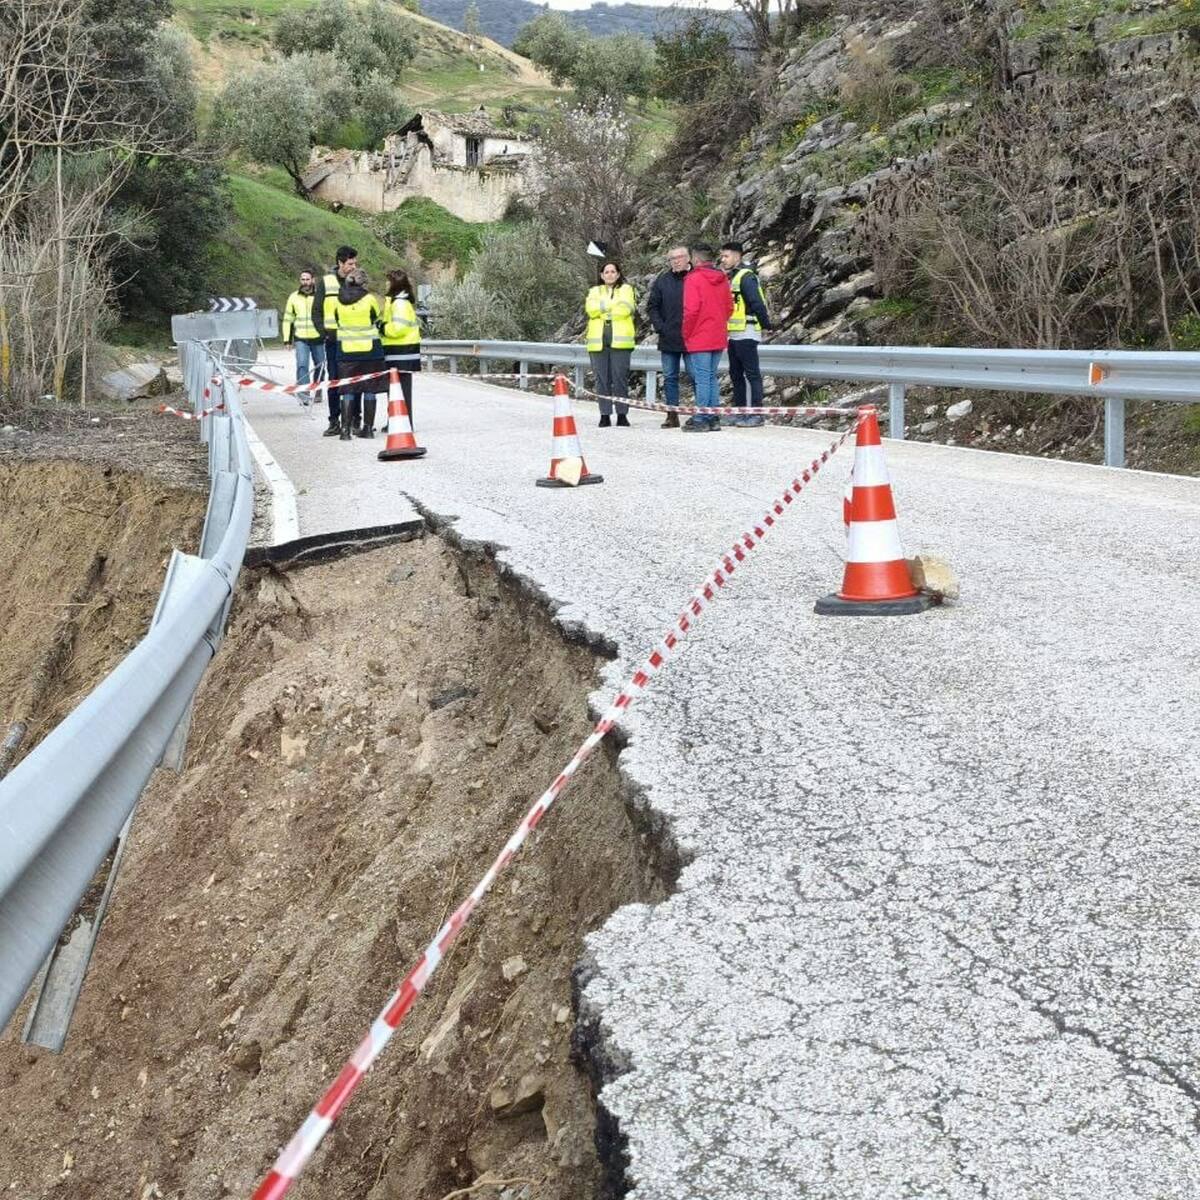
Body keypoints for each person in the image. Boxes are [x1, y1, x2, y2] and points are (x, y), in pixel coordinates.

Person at [681, 243, 733, 432]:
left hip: (699, 334)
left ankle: (702, 416)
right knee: (711, 376)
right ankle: (712, 416)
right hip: (717, 334)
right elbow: (729, 308)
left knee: (702, 377)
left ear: (695, 260)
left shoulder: (693, 279)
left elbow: (691, 310)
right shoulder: (722, 278)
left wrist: (686, 333)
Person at [719, 241, 772, 428]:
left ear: (737, 256)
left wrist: (766, 325)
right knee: (735, 374)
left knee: (752, 374)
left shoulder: (746, 276)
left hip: (747, 332)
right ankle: (739, 413)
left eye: (726, 256)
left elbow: (756, 303)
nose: (722, 259)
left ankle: (756, 414)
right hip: (734, 334)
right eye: (722, 256)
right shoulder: (731, 277)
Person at [313, 245, 358, 437]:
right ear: (340, 262)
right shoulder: (326, 282)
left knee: (355, 382)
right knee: (334, 382)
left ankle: (356, 420)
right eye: (350, 263)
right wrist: (324, 332)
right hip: (333, 341)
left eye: (355, 263)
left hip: (353, 341)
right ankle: (334, 421)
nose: (353, 266)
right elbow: (316, 311)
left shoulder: (357, 280)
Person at [332, 267, 383, 441]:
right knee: (370, 388)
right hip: (370, 351)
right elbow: (376, 318)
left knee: (347, 389)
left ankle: (345, 431)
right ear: (364, 283)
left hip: (346, 351)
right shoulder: (369, 299)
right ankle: (368, 429)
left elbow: (336, 320)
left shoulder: (338, 301)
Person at [585, 261, 636, 427]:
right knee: (602, 379)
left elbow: (626, 309)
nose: (610, 275)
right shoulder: (594, 291)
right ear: (601, 275)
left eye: (613, 271)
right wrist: (612, 307)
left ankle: (622, 414)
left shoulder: (626, 289)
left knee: (620, 378)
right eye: (606, 272)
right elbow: (591, 309)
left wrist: (603, 309)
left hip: (620, 341)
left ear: (618, 274)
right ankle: (604, 414)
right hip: (598, 341)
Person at [647, 245, 691, 429]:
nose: (676, 260)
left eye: (680, 257)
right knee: (670, 377)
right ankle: (672, 415)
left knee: (696, 376)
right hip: (669, 337)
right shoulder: (662, 281)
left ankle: (702, 415)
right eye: (673, 258)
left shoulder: (696, 278)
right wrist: (660, 327)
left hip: (693, 338)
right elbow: (652, 306)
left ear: (688, 258)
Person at [379, 269, 422, 428]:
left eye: (388, 281)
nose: (385, 284)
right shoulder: (397, 301)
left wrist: (382, 327)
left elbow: (399, 328)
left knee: (400, 391)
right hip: (398, 352)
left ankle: (402, 423)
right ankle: (396, 421)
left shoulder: (400, 303)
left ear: (394, 283)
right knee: (396, 390)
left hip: (402, 352)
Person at [282, 269, 324, 400]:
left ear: (313, 280)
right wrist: (287, 340)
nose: (305, 282)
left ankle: (318, 389)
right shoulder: (293, 297)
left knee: (320, 365)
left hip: (318, 337)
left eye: (307, 279)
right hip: (301, 338)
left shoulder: (320, 296)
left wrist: (327, 333)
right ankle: (304, 394)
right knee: (302, 365)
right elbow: (288, 319)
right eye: (302, 279)